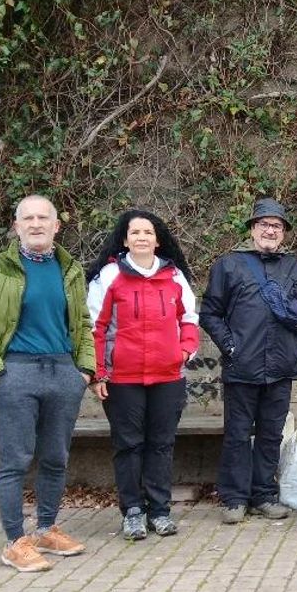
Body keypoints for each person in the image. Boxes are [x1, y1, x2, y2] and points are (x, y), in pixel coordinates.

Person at [0, 195, 95, 572]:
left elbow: (83, 322)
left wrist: (82, 371)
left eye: (43, 218)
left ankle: (47, 529)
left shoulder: (70, 269)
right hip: (15, 372)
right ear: (16, 227)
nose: (36, 224)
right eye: (27, 218)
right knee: (15, 460)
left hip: (63, 373)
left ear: (56, 226)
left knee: (55, 457)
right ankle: (15, 542)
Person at [86, 210, 199, 540]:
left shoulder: (174, 276)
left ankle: (160, 511)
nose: (141, 238)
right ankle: (132, 511)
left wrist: (183, 351)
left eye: (147, 232)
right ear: (125, 239)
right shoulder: (108, 277)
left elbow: (189, 319)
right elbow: (95, 327)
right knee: (129, 445)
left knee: (161, 445)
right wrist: (99, 374)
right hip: (123, 379)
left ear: (157, 239)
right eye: (134, 232)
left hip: (167, 377)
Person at [200, 198, 297, 523]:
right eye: (264, 224)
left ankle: (264, 495)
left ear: (284, 233)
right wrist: (230, 346)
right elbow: (210, 312)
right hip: (242, 367)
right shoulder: (230, 265)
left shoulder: (295, 268)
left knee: (270, 434)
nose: (270, 230)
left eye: (276, 226)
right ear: (252, 229)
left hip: (280, 368)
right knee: (237, 434)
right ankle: (235, 499)